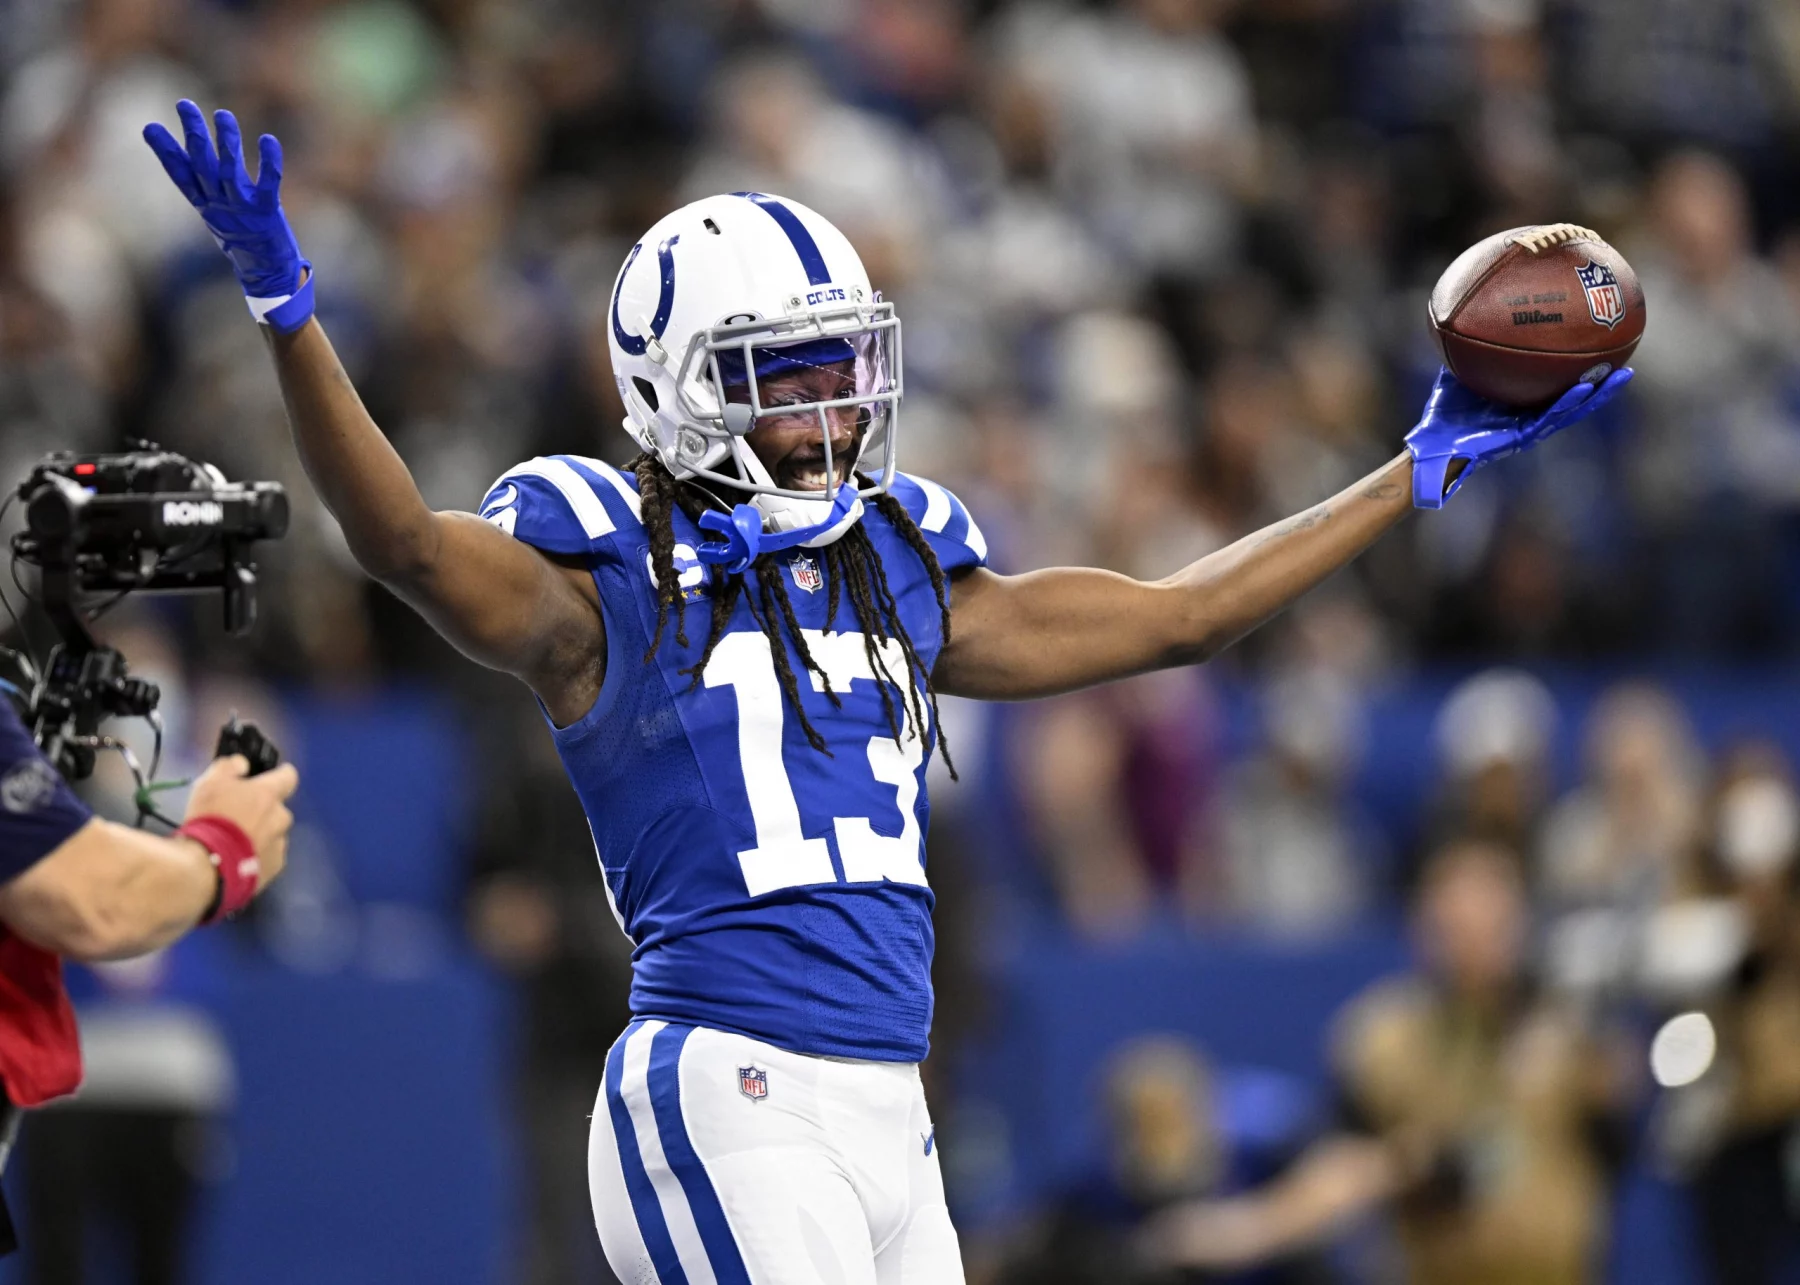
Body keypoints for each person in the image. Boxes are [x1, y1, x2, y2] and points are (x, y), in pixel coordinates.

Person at [142, 99, 1632, 1284]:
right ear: (676, 387)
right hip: (729, 1090)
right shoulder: (602, 576)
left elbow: (1179, 619)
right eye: (783, 376)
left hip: (889, 1110)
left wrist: (1409, 472)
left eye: (839, 367)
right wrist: (288, 310)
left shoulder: (897, 565)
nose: (831, 407)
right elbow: (403, 545)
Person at [1143, 840, 1634, 1285]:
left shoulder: (1573, 1032)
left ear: (1519, 922)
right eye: (1454, 924)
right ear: (1424, 926)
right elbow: (1339, 1167)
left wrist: (1605, 1080)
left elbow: (1614, 1152)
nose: (1472, 943)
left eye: (1488, 924)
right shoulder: (1384, 1038)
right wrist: (1251, 1228)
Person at [0, 692, 297, 1254]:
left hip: (168, 1067)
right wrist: (228, 848)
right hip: (81, 1073)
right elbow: (88, 901)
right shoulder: (79, 796)